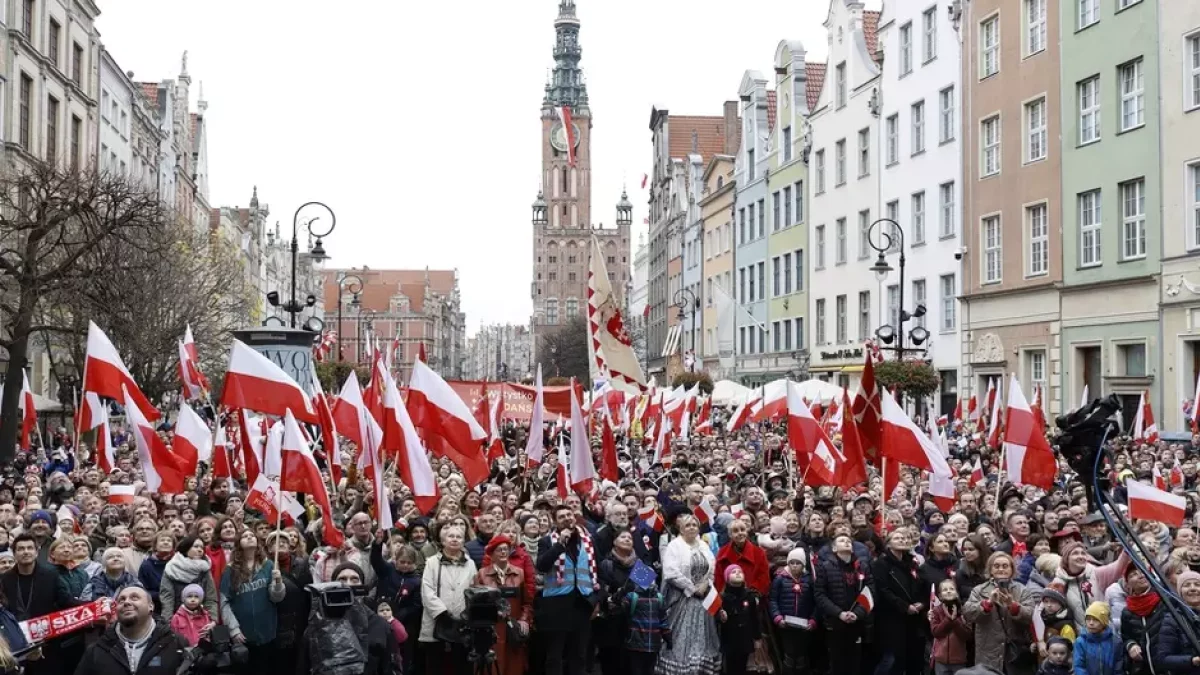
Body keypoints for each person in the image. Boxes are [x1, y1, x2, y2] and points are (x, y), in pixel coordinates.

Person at [536, 504, 599, 675]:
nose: (567, 518)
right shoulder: (547, 541)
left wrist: (596, 599)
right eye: (561, 516)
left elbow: (596, 570)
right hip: (556, 605)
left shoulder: (588, 540)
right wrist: (559, 546)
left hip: (582, 602)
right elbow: (541, 566)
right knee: (554, 655)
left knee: (579, 654)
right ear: (555, 522)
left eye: (569, 515)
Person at [655, 513, 721, 675]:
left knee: (704, 636)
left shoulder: (703, 545)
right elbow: (670, 572)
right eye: (688, 525)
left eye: (694, 525)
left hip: (703, 600)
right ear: (681, 529)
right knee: (681, 636)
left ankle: (700, 669)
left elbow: (712, 568)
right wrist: (692, 588)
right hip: (682, 598)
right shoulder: (675, 545)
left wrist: (706, 584)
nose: (692, 527)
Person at [73, 584, 189, 675]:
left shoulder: (175, 643)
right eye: (121, 600)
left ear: (151, 606)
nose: (127, 602)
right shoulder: (97, 650)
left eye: (135, 598)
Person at [218, 528, 285, 669]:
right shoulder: (230, 570)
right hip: (243, 634)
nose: (249, 537)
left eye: (252, 535)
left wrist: (278, 582)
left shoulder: (269, 565)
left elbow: (277, 598)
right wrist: (233, 629)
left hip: (268, 630)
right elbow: (224, 602)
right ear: (238, 543)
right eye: (245, 536)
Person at [963, 551, 1037, 675]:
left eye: (1005, 566)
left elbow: (1029, 616)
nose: (1001, 569)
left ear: (1012, 570)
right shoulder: (979, 590)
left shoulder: (1022, 590)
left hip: (1015, 653)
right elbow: (968, 613)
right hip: (988, 652)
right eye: (996, 566)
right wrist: (988, 603)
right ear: (990, 570)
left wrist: (1012, 606)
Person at [420, 523, 477, 675]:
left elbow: (474, 590)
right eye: (450, 536)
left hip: (462, 624)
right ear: (443, 541)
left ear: (463, 541)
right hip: (437, 622)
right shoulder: (432, 562)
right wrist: (442, 613)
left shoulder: (470, 564)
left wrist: (466, 615)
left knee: (461, 666)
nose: (454, 539)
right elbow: (427, 590)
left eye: (459, 537)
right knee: (436, 666)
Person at [814, 533, 872, 675]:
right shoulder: (825, 567)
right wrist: (839, 613)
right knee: (837, 663)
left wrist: (857, 613)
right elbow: (820, 594)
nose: (846, 542)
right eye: (841, 540)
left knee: (855, 663)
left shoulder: (861, 566)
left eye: (848, 541)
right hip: (835, 623)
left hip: (857, 622)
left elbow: (870, 592)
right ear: (834, 548)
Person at [874, 528, 929, 675]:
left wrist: (922, 603)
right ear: (888, 544)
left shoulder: (912, 563)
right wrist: (904, 606)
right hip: (891, 619)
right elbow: (883, 590)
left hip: (913, 619)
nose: (903, 540)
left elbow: (921, 586)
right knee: (892, 660)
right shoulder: (881, 564)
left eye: (905, 539)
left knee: (912, 659)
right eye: (898, 538)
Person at [476, 535, 530, 675]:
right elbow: (477, 605)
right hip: (492, 629)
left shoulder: (520, 573)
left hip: (513, 627)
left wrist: (524, 619)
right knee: (493, 667)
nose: (503, 552)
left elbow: (527, 602)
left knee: (514, 666)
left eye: (506, 549)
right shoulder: (482, 574)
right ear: (492, 554)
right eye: (499, 550)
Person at [769, 548, 815, 675]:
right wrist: (777, 617)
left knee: (801, 655)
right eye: (792, 563)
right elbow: (773, 600)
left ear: (803, 565)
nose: (794, 566)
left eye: (798, 563)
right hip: (786, 625)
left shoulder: (809, 580)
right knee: (789, 654)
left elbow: (816, 602)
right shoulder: (780, 579)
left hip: (804, 625)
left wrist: (813, 620)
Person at [158, 535, 217, 621]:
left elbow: (211, 598)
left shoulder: (205, 568)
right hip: (177, 618)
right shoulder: (171, 568)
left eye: (201, 547)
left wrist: (212, 620)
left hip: (201, 619)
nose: (200, 550)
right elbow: (167, 598)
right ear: (186, 548)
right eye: (196, 546)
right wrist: (168, 622)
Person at [1119, 566, 1163, 675]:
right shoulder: (1127, 611)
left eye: (1143, 571)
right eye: (1133, 574)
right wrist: (1131, 645)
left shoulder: (1165, 601)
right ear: (1127, 584)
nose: (1140, 575)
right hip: (1143, 668)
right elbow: (1126, 637)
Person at [1155, 569, 1200, 674]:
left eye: (1197, 584)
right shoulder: (1172, 619)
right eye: (1187, 585)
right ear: (1180, 592)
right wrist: (1192, 661)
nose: (1193, 588)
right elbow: (1162, 659)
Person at [718, 564, 760, 675]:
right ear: (727, 578)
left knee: (742, 667)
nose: (737, 573)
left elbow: (754, 618)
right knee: (730, 667)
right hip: (729, 640)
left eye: (740, 571)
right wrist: (721, 618)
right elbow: (716, 620)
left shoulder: (749, 596)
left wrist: (757, 638)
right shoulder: (722, 597)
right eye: (733, 572)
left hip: (744, 639)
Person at [623, 578, 671, 675]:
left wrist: (624, 589)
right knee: (649, 670)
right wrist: (668, 639)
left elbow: (622, 607)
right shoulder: (659, 597)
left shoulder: (632, 596)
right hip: (653, 644)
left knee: (636, 670)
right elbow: (663, 621)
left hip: (635, 643)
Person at [930, 578, 973, 675]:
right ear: (940, 596)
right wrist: (948, 620)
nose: (948, 591)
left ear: (957, 593)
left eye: (951, 589)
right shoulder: (936, 611)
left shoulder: (964, 611)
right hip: (940, 660)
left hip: (959, 660)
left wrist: (954, 621)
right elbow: (936, 632)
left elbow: (967, 635)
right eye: (945, 590)